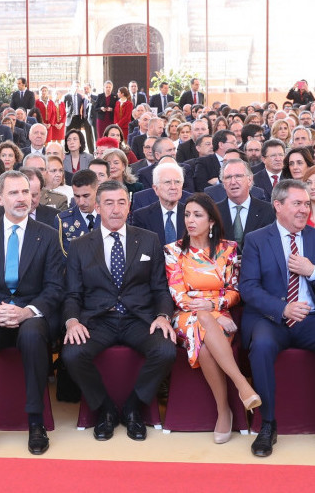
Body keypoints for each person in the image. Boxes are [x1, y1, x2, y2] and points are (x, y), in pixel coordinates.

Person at [239, 179, 315, 458]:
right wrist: (282, 308)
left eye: (306, 204)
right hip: (271, 317)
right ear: (278, 206)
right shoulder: (256, 239)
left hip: (312, 318)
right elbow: (249, 287)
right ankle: (267, 424)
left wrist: (313, 271)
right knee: (262, 346)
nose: (304, 210)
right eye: (297, 203)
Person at [61, 180, 177, 441]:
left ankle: (133, 408)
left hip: (139, 319)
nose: (115, 209)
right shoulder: (80, 245)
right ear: (98, 207)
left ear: (129, 206)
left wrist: (162, 316)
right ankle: (106, 410)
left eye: (121, 202)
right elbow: (72, 293)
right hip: (98, 320)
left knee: (166, 350)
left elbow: (160, 288)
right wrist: (72, 321)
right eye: (109, 203)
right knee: (72, 354)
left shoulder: (149, 240)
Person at [0, 170, 65, 456]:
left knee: (33, 338)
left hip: (30, 313)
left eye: (26, 193)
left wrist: (27, 312)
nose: (22, 199)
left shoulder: (46, 235)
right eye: (14, 193)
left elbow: (55, 288)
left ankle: (36, 421)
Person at [165, 193, 261, 445]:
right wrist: (211, 313)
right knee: (205, 322)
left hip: (218, 314)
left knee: (206, 345)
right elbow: (178, 295)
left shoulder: (228, 249)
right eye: (187, 215)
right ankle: (242, 386)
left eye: (197, 215)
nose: (190, 220)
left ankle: (223, 412)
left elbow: (235, 291)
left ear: (211, 222)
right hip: (186, 316)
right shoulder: (174, 251)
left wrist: (215, 308)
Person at [216, 159, 276, 251]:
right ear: (223, 183)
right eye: (228, 177)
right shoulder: (213, 212)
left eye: (238, 176)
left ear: (250, 179)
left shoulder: (268, 210)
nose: (233, 182)